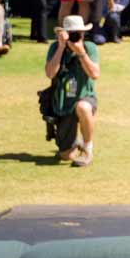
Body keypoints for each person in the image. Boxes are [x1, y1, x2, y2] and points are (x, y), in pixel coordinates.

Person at [43, 13, 100, 165]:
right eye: (72, 34)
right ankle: (75, 143)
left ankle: (88, 149)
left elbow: (95, 74)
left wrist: (81, 53)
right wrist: (61, 48)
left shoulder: (89, 48)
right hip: (63, 102)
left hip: (84, 96)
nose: (77, 37)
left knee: (83, 107)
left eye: (79, 33)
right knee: (66, 156)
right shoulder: (56, 47)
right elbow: (50, 73)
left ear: (83, 33)